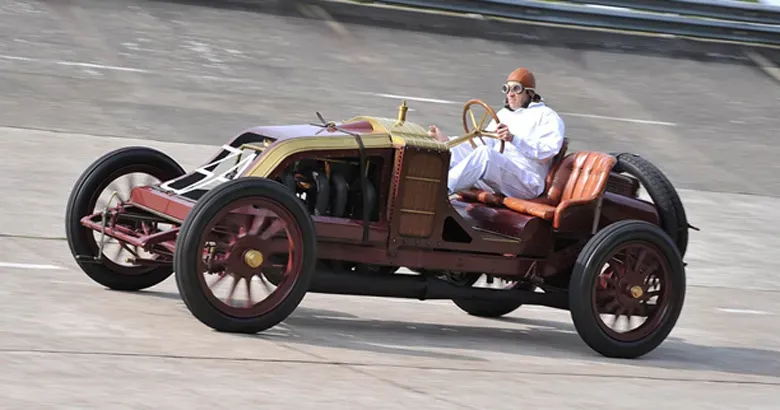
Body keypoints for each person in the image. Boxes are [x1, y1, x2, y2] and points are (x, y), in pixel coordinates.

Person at [428, 67, 566, 199]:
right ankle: (425, 185)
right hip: (500, 174)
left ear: (529, 93)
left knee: (486, 155)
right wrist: (448, 141)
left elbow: (548, 151)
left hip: (527, 182)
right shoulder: (504, 114)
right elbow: (482, 142)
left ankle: (436, 193)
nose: (510, 94)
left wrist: (514, 139)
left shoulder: (547, 116)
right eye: (507, 89)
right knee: (452, 151)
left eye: (516, 89)